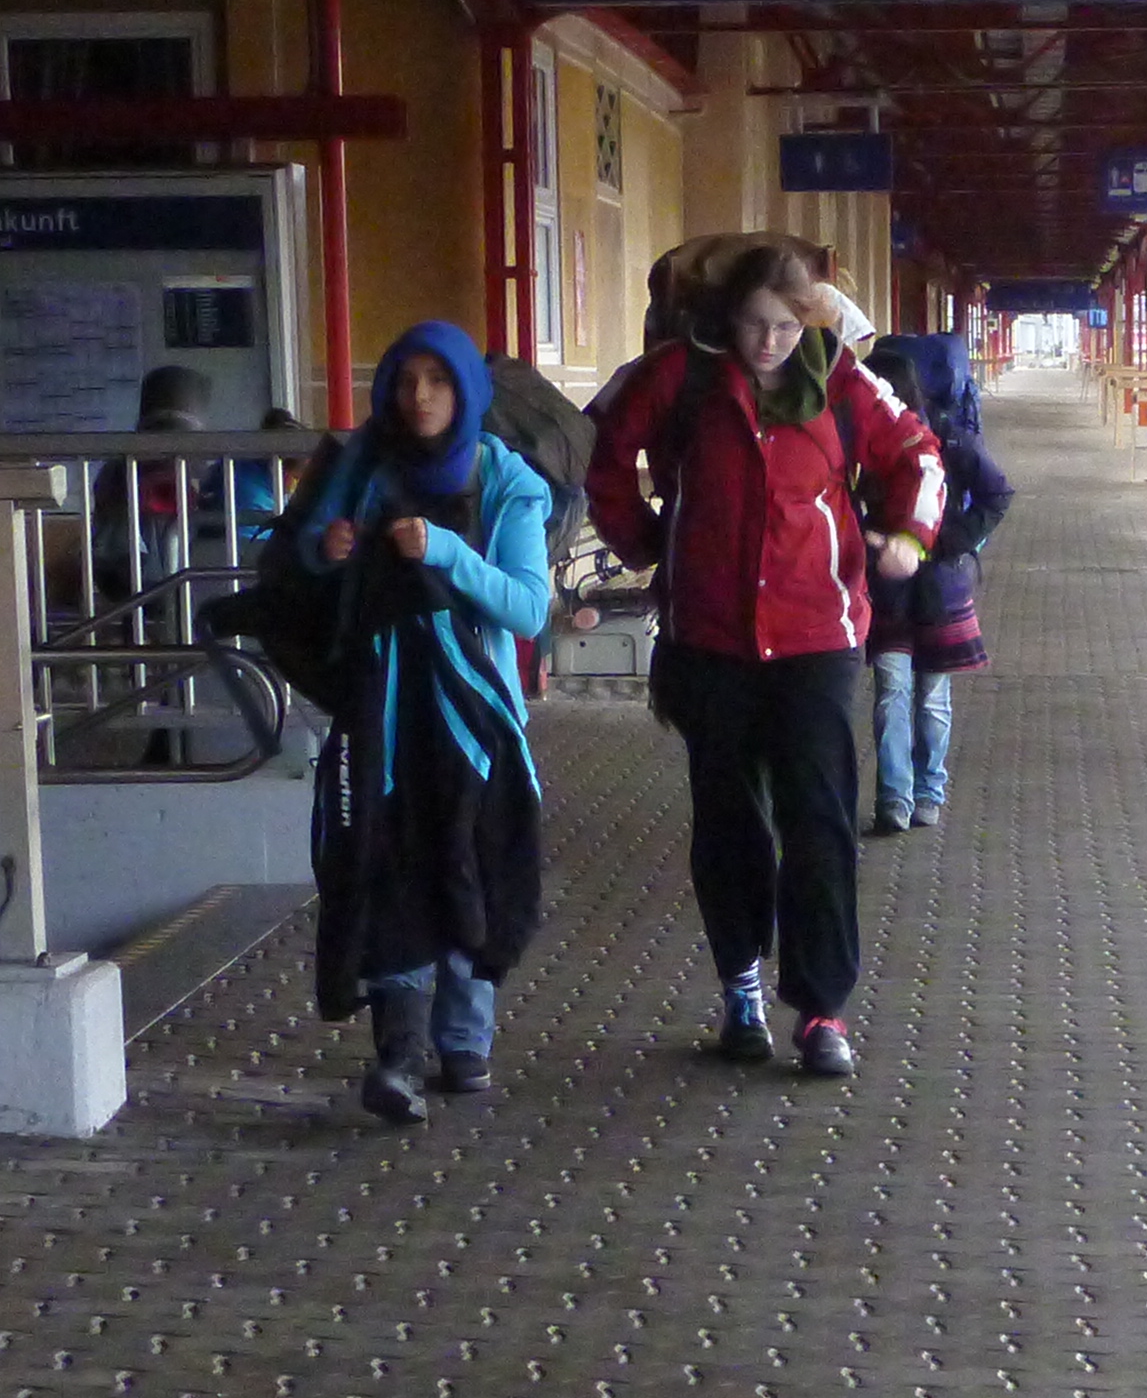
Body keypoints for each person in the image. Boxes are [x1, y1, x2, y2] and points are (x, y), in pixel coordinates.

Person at [586, 242, 945, 1079]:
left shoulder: (846, 382)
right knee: (727, 819)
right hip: (710, 640)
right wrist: (648, 545)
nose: (770, 343)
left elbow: (920, 454)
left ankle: (822, 1009)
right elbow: (606, 456)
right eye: (754, 324)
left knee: (819, 820)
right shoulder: (679, 376)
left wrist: (910, 536)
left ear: (810, 322)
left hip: (818, 636)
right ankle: (740, 985)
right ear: (728, 317)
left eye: (787, 326)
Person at [266, 323, 553, 1123]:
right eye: (405, 380)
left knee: (466, 863)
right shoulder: (363, 465)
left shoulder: (507, 482)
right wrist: (327, 551)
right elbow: (306, 566)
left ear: (466, 391)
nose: (420, 396)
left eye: (438, 380)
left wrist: (445, 551)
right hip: (382, 715)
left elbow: (528, 608)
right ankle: (398, 1051)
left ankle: (463, 1040)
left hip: (474, 724)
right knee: (389, 861)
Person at [860, 333, 1011, 837]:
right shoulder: (861, 445)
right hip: (887, 587)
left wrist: (947, 542)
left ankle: (929, 789)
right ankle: (895, 797)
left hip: (940, 586)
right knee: (892, 690)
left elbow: (997, 493)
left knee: (930, 696)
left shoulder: (948, 438)